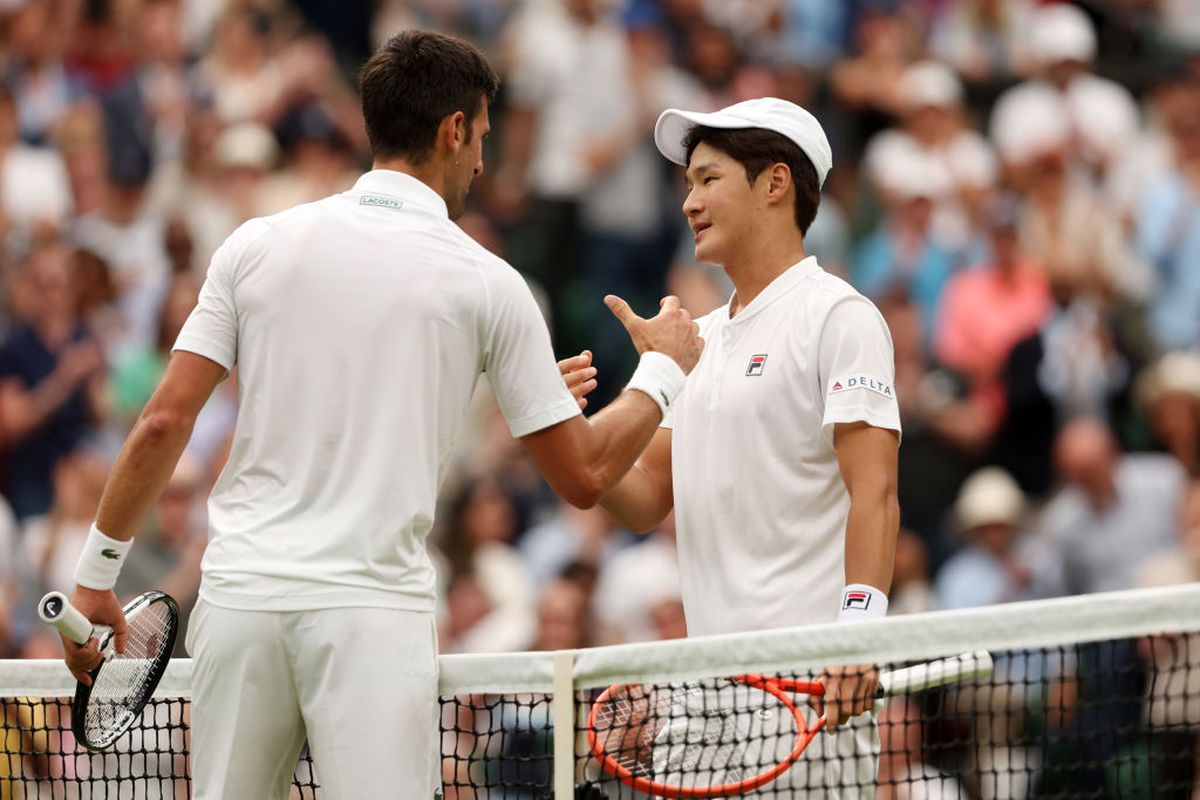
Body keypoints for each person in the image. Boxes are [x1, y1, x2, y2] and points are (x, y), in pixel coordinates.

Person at [56, 30, 703, 800]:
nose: (484, 164)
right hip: (370, 617)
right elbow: (589, 475)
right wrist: (663, 370)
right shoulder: (491, 285)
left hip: (242, 606)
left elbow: (162, 421)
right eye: (483, 139)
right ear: (454, 130)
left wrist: (97, 575)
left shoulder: (254, 245)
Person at [567, 97, 901, 796]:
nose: (689, 201)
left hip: (811, 688)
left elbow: (877, 491)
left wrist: (856, 639)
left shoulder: (840, 316)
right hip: (702, 698)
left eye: (708, 179)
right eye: (689, 184)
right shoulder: (696, 342)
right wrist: (557, 423)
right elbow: (640, 501)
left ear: (775, 184)